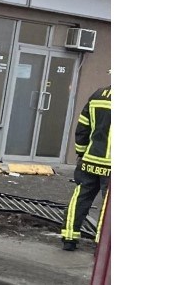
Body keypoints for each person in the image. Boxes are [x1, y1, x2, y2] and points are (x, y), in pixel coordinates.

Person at [61, 84, 111, 251]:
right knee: (109, 205)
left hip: (90, 159)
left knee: (80, 198)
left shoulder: (98, 95)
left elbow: (83, 127)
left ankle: (69, 237)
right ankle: (101, 245)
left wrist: (81, 153)